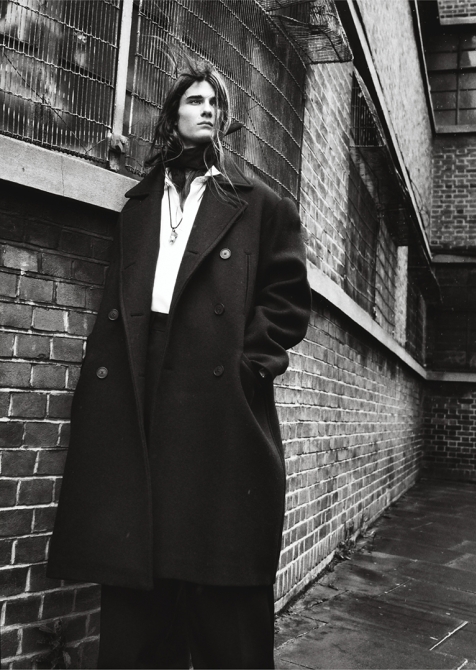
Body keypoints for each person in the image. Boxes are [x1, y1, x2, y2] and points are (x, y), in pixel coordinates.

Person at [47, 62, 311, 669]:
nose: (207, 108)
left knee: (220, 571)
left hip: (217, 390)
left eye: (215, 101)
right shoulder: (140, 204)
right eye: (194, 100)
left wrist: (250, 368)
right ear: (172, 115)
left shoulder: (259, 205)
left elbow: (287, 301)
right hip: (143, 380)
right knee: (144, 565)